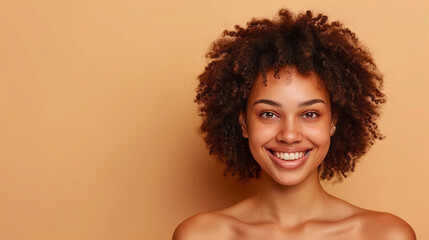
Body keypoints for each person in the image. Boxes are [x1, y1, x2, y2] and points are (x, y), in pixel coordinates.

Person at [173, 8, 416, 239]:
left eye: (309, 114)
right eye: (269, 114)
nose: (289, 135)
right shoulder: (201, 235)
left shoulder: (385, 235)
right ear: (244, 124)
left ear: (333, 122)